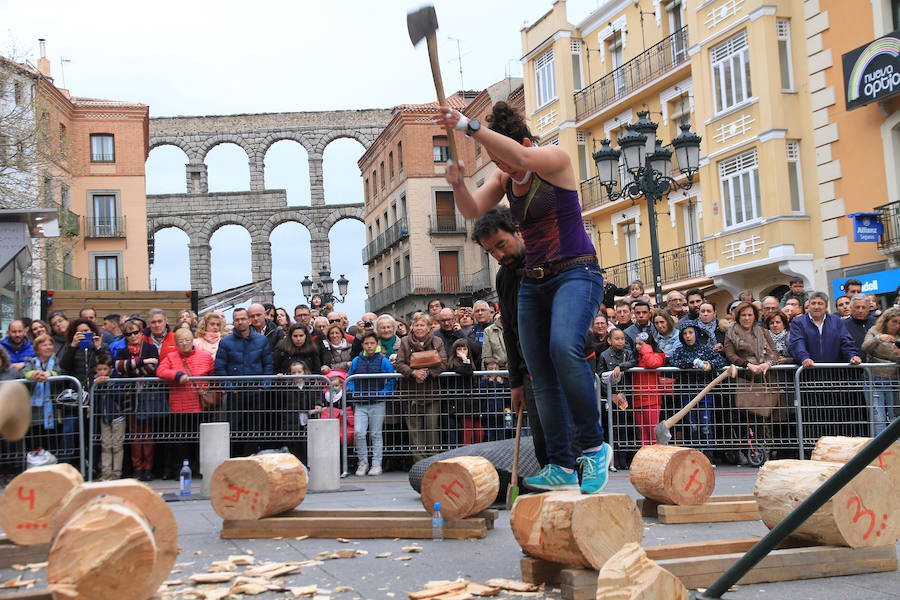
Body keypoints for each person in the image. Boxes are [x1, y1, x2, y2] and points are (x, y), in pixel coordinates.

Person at [472, 207, 548, 467]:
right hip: (529, 373)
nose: (498, 255)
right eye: (491, 251)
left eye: (501, 245)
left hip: (560, 366)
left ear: (518, 232)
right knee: (542, 442)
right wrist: (516, 383)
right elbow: (510, 330)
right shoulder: (503, 277)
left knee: (571, 442)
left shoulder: (548, 259)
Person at [214, 307, 273, 455]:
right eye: (236, 319)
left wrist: (264, 386)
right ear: (233, 322)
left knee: (254, 429)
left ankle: (251, 459)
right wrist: (230, 388)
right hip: (235, 392)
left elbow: (268, 365)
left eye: (242, 319)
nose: (240, 322)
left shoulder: (261, 340)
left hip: (256, 391)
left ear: (249, 320)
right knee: (233, 428)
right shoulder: (226, 342)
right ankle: (233, 460)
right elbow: (220, 368)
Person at [157, 327, 214, 479]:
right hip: (178, 405)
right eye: (180, 341)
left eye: (187, 340)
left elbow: (213, 376)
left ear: (192, 341)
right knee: (179, 440)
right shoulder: (170, 357)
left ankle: (196, 468)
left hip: (199, 405)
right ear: (176, 343)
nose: (184, 343)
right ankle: (179, 469)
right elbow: (160, 371)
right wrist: (176, 374)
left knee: (198, 439)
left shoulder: (205, 357)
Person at [395, 312, 446, 462]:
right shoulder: (405, 342)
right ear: (411, 327)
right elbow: (399, 363)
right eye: (416, 325)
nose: (419, 328)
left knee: (432, 429)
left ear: (429, 327)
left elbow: (444, 362)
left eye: (422, 325)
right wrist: (413, 372)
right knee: (414, 431)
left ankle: (434, 460)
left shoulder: (437, 341)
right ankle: (419, 462)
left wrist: (429, 373)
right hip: (411, 392)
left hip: (431, 392)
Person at [113, 318, 160, 481]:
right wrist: (143, 362)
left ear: (141, 332)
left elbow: (153, 368)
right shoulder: (122, 351)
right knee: (135, 434)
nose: (133, 336)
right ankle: (137, 468)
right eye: (128, 334)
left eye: (135, 332)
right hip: (130, 397)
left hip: (147, 396)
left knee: (147, 434)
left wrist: (132, 366)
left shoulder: (151, 348)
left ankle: (148, 467)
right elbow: (119, 366)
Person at [670, 324, 726, 456]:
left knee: (705, 424)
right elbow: (673, 361)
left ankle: (708, 455)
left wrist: (709, 364)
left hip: (704, 393)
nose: (688, 336)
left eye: (691, 332)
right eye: (685, 333)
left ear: (696, 333)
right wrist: (691, 362)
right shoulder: (680, 350)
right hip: (687, 394)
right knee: (692, 426)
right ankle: (695, 455)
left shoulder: (705, 349)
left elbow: (721, 359)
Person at [346, 331, 396, 476]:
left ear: (377, 345)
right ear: (362, 345)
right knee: (359, 433)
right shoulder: (356, 361)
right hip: (360, 403)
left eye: (372, 343)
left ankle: (376, 463)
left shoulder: (383, 361)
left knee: (375, 433)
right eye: (366, 343)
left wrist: (384, 393)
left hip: (377, 402)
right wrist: (354, 391)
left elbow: (392, 379)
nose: (369, 346)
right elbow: (350, 377)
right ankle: (362, 462)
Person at [861, 307, 900, 434]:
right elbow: (865, 347)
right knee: (878, 419)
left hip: (895, 381)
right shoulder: (874, 331)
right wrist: (878, 339)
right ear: (886, 321)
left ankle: (897, 450)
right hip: (874, 380)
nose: (897, 325)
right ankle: (880, 451)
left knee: (895, 417)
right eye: (894, 321)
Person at [22, 334, 61, 457]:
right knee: (34, 441)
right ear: (37, 349)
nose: (49, 347)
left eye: (50, 344)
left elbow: (62, 372)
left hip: (52, 410)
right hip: (34, 412)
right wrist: (33, 375)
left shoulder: (57, 361)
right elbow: (23, 372)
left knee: (51, 442)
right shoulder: (31, 362)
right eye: (44, 345)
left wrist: (50, 374)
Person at [90, 352, 124, 480]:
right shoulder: (95, 382)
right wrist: (96, 384)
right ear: (95, 369)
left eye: (105, 369)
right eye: (99, 369)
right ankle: (106, 473)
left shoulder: (116, 379)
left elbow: (120, 396)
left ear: (110, 369)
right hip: (103, 417)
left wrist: (109, 385)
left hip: (117, 417)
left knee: (117, 446)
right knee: (105, 445)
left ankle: (116, 473)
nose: (102, 372)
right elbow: (92, 396)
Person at [632, 333, 666, 446]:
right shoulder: (636, 357)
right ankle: (646, 457)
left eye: (640, 344)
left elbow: (652, 363)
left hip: (652, 399)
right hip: (637, 398)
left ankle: (655, 456)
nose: (638, 347)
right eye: (636, 344)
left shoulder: (657, 354)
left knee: (653, 431)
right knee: (642, 431)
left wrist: (646, 349)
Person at [844, 294, 876, 362]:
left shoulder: (876, 323)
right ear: (851, 308)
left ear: (868, 308)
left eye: (863, 307)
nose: (860, 311)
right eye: (857, 307)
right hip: (854, 367)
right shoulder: (843, 325)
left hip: (876, 367)